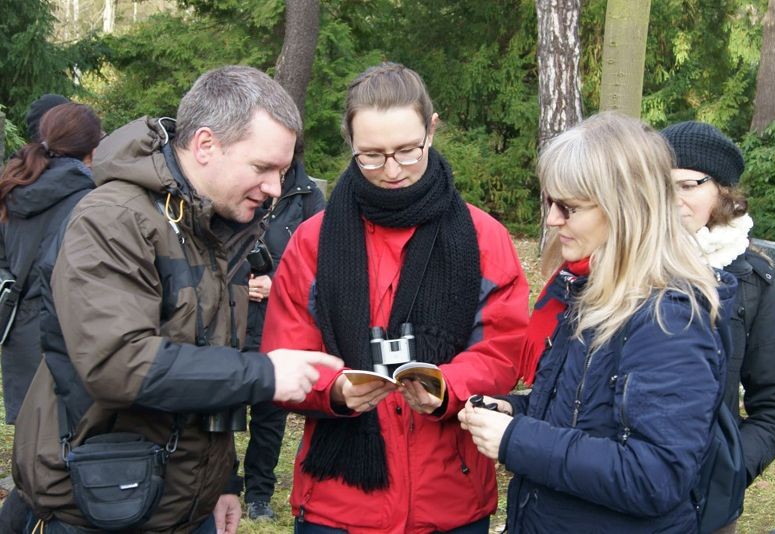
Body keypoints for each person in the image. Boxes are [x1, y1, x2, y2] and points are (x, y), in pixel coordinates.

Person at [11, 65, 342, 534]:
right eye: (263, 167)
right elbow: (119, 363)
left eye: (283, 172)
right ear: (206, 145)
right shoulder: (114, 219)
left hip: (185, 506)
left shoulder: (219, 229)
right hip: (98, 503)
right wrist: (265, 374)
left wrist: (224, 482)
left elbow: (209, 361)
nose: (274, 189)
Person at [262, 62, 530, 533]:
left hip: (449, 498)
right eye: (371, 155)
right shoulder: (312, 241)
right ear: (350, 144)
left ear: (432, 128)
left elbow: (503, 350)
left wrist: (449, 386)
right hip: (339, 504)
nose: (391, 171)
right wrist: (336, 391)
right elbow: (285, 354)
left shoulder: (484, 237)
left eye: (407, 151)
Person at [459, 112, 737, 533]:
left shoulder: (670, 318)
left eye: (568, 207)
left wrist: (517, 439)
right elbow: (585, 416)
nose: (552, 220)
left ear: (623, 209)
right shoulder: (593, 290)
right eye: (551, 203)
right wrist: (516, 410)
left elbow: (655, 476)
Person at [662, 121, 775, 530]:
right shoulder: (624, 264)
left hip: (706, 506)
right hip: (615, 493)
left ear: (723, 191)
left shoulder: (751, 280)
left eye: (687, 185)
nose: (673, 199)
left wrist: (729, 470)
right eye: (662, 185)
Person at [0, 103, 101, 534]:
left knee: (28, 437)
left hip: (18, 324)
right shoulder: (87, 196)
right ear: (91, 150)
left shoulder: (13, 184)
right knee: (56, 442)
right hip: (58, 325)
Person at [243, 149, 326, 521]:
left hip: (280, 323)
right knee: (220, 410)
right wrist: (236, 285)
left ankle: (258, 494)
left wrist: (274, 283)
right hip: (234, 320)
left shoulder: (309, 197)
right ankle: (223, 485)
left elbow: (319, 267)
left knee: (270, 415)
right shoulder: (241, 184)